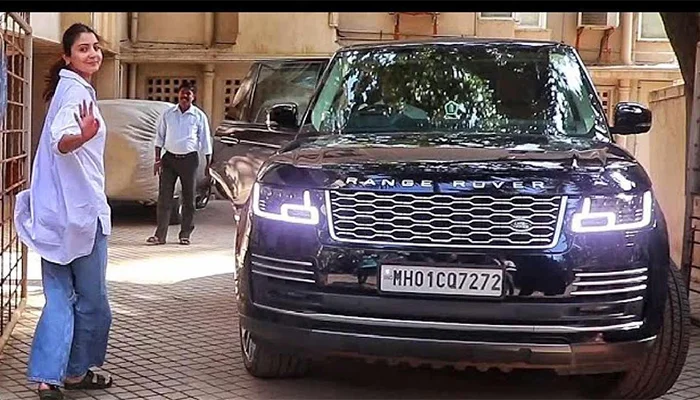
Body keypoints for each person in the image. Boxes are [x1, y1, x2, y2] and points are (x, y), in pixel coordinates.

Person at [14, 23, 113, 400]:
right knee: (92, 302)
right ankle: (72, 373)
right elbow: (60, 141)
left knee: (58, 298)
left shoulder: (67, 89)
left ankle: (45, 378)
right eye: (84, 49)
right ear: (67, 57)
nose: (93, 54)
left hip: (55, 218)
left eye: (96, 47)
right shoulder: (74, 92)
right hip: (81, 217)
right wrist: (83, 137)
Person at [146, 81, 212, 246]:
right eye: (182, 93)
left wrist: (209, 166)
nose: (184, 97)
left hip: (189, 160)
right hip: (169, 160)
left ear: (193, 96)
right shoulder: (168, 114)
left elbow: (205, 142)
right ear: (178, 95)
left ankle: (185, 235)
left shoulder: (199, 116)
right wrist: (157, 159)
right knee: (164, 198)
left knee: (189, 199)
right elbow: (159, 138)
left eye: (188, 94)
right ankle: (160, 236)